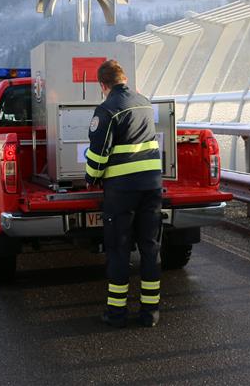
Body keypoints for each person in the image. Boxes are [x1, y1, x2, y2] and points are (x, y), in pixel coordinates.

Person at [84, 59, 163, 328]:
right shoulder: (145, 102)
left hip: (122, 190)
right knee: (150, 247)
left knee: (119, 249)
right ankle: (150, 313)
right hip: (152, 186)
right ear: (124, 79)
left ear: (103, 85)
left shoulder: (107, 109)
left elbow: (99, 153)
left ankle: (116, 314)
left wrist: (91, 177)